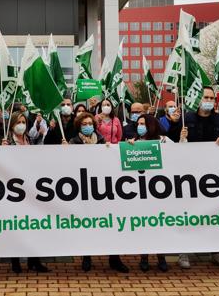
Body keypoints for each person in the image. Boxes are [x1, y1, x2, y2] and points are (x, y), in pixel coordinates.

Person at [167, 86, 219, 270]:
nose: (209, 100)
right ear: (199, 98)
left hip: (214, 177)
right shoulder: (186, 118)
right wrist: (176, 131)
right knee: (187, 214)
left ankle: (217, 253)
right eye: (206, 97)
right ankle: (184, 252)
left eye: (212, 98)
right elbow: (169, 141)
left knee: (215, 215)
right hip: (189, 176)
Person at [69, 112, 128, 273]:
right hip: (84, 189)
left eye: (90, 123)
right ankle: (87, 257)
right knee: (87, 224)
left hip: (103, 189)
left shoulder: (102, 141)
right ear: (79, 126)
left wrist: (113, 149)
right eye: (84, 124)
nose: (88, 126)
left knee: (110, 223)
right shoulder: (73, 142)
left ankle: (114, 258)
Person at [2, 112, 50, 274]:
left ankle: (34, 261)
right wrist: (1, 150)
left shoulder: (29, 139)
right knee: (16, 227)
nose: (21, 125)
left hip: (31, 191)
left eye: (23, 122)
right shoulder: (6, 141)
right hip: (14, 191)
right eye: (18, 122)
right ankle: (15, 262)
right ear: (12, 124)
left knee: (33, 227)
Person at [128, 114, 170, 272]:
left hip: (160, 192)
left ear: (151, 125)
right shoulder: (135, 142)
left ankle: (161, 257)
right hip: (141, 192)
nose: (140, 126)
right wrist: (130, 146)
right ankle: (144, 257)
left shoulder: (163, 141)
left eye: (143, 123)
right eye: (138, 124)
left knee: (159, 226)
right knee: (144, 226)